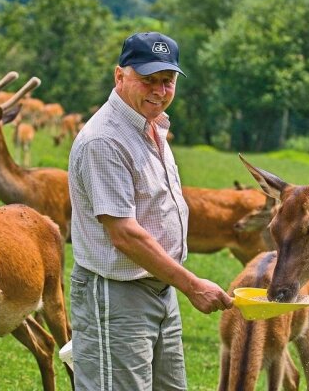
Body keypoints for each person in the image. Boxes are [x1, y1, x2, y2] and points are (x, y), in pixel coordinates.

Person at [68, 31, 233, 391]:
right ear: (119, 76)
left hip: (160, 288)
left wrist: (177, 284)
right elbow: (124, 234)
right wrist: (192, 285)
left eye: (167, 81)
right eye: (147, 80)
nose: (159, 91)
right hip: (117, 295)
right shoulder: (104, 141)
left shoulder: (151, 126)